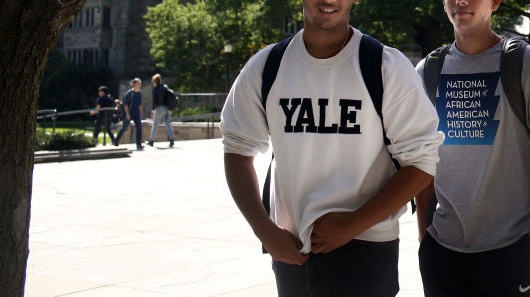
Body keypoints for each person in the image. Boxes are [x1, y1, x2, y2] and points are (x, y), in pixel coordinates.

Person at [220, 0, 443, 296]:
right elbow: (236, 149)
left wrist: (354, 223)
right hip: (292, 249)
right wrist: (265, 230)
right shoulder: (267, 66)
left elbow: (423, 160)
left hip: (367, 249)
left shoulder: (384, 65)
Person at [415, 0, 530, 296]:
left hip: (513, 248)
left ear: (494, 3)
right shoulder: (427, 71)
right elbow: (420, 161)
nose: (461, 1)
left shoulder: (523, 64)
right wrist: (424, 236)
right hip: (443, 251)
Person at [113, 78, 144, 150]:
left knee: (139, 128)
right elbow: (125, 104)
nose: (140, 85)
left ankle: (138, 144)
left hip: (136, 114)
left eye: (140, 84)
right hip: (129, 113)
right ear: (135, 84)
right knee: (124, 128)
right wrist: (127, 114)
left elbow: (140, 104)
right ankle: (116, 140)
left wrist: (141, 113)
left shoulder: (139, 93)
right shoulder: (130, 93)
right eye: (138, 83)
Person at [146, 73, 175, 148]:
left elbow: (155, 101)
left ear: (155, 82)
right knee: (167, 123)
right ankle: (172, 139)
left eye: (153, 82)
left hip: (159, 108)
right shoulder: (165, 87)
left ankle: (151, 140)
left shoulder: (155, 89)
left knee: (155, 124)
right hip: (167, 108)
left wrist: (152, 110)